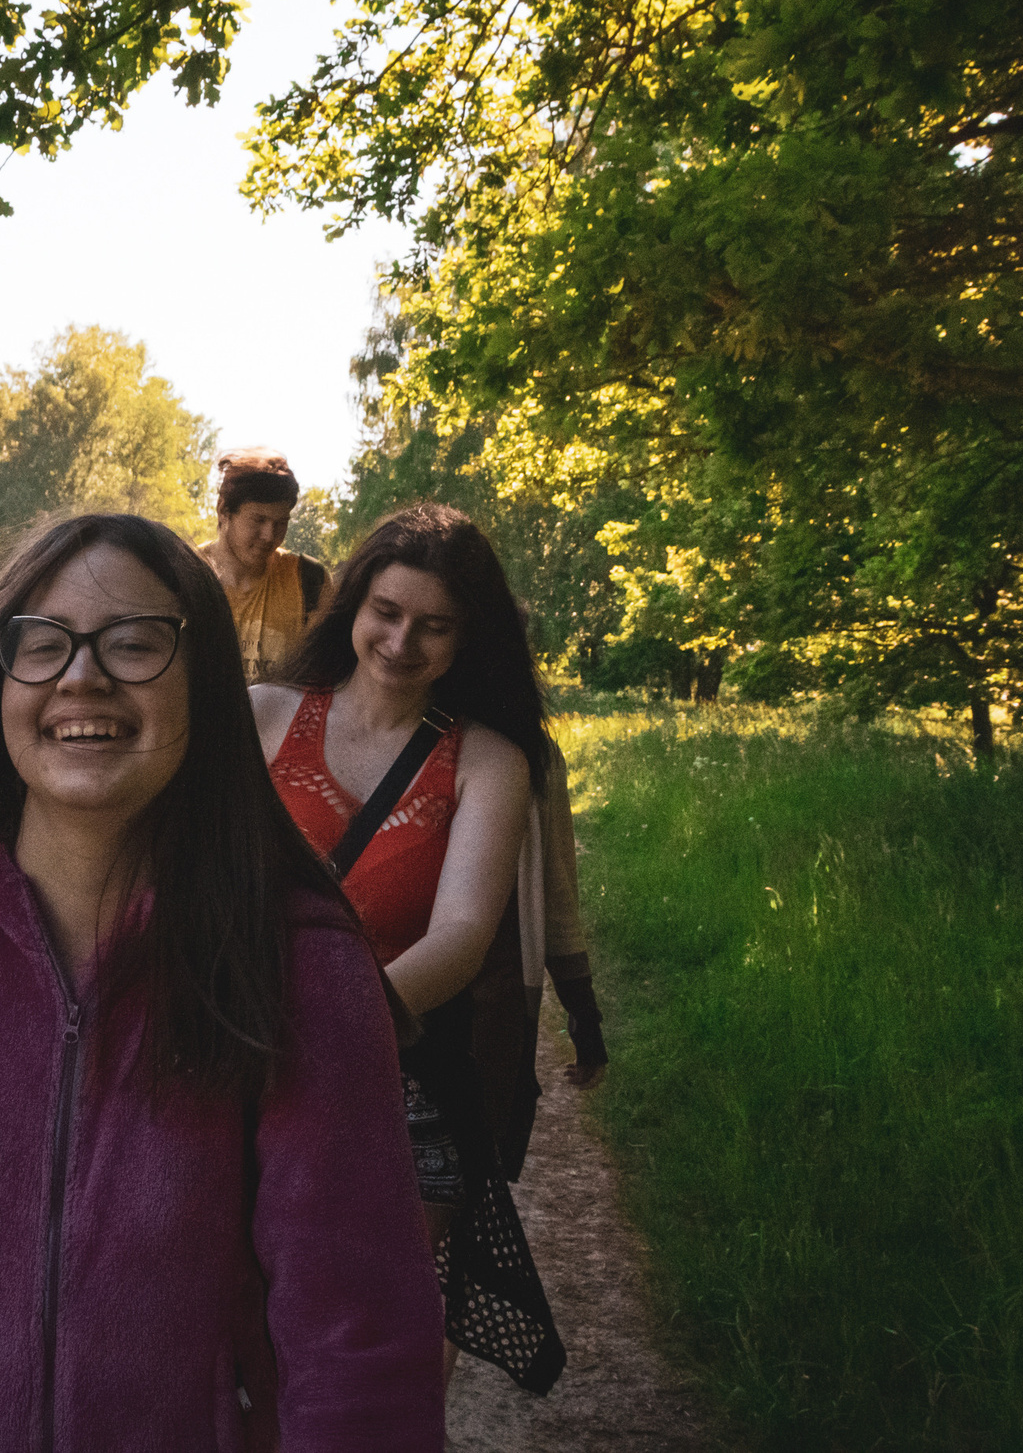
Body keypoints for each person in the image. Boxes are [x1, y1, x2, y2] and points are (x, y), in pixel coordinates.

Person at [0, 514, 446, 1453]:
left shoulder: (297, 963)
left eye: (136, 644)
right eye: (43, 643)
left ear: (207, 686)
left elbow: (356, 1333)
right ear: (0, 682)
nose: (82, 675)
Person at [252, 503, 606, 1396]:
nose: (402, 641)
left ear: (466, 637)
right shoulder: (258, 717)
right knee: (234, 1324)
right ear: (353, 608)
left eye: (434, 625)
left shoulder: (488, 758)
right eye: (387, 611)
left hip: (401, 1084)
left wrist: (331, 1029)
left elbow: (460, 932)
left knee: (373, 1341)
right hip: (237, 1058)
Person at [198, 447, 332, 681]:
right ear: (223, 510)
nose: (270, 535)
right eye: (258, 520)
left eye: (281, 522)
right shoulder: (185, 576)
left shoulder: (310, 582)